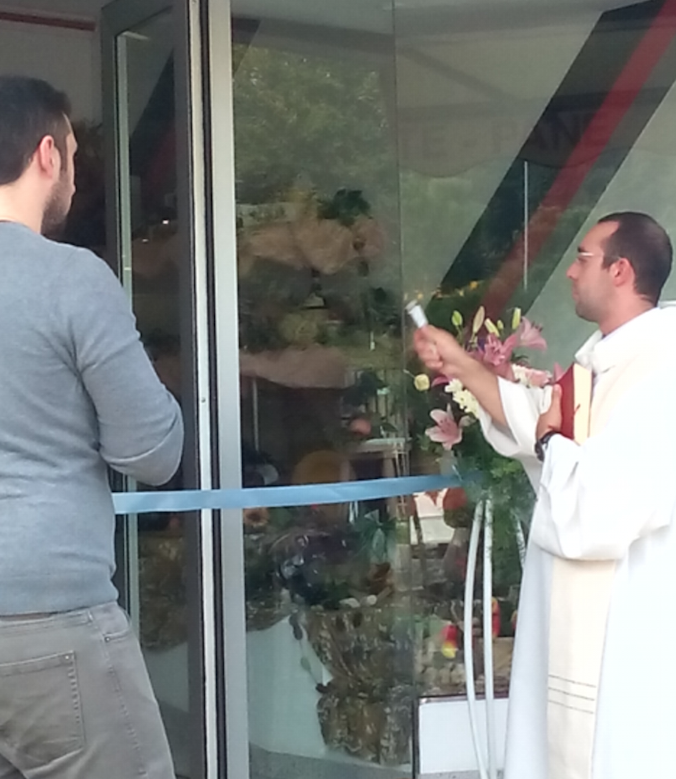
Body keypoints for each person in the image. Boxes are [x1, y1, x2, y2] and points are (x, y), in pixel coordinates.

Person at [414, 212, 676, 779]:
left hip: (630, 620)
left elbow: (602, 507)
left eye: (583, 259)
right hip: (580, 610)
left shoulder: (662, 372)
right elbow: (536, 422)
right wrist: (460, 364)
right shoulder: (602, 362)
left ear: (621, 270)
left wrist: (551, 442)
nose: (571, 273)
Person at [0, 76, 183, 777]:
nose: (77, 176)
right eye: (74, 155)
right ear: (47, 155)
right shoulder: (73, 278)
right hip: (49, 616)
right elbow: (151, 451)